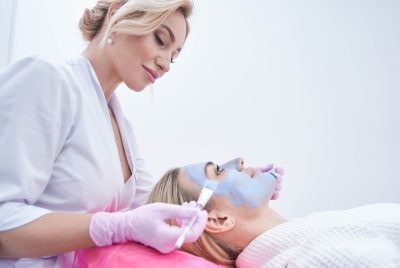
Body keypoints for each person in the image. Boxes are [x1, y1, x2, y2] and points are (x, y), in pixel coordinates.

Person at [0, 1, 209, 267]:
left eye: (173, 56)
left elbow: (160, 206)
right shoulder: (48, 80)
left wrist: (229, 183)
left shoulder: (121, 127)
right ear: (117, 13)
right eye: (160, 40)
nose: (166, 63)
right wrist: (112, 227)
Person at [147, 157, 400, 267]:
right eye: (220, 171)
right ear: (219, 219)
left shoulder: (307, 240)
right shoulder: (309, 258)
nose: (239, 161)